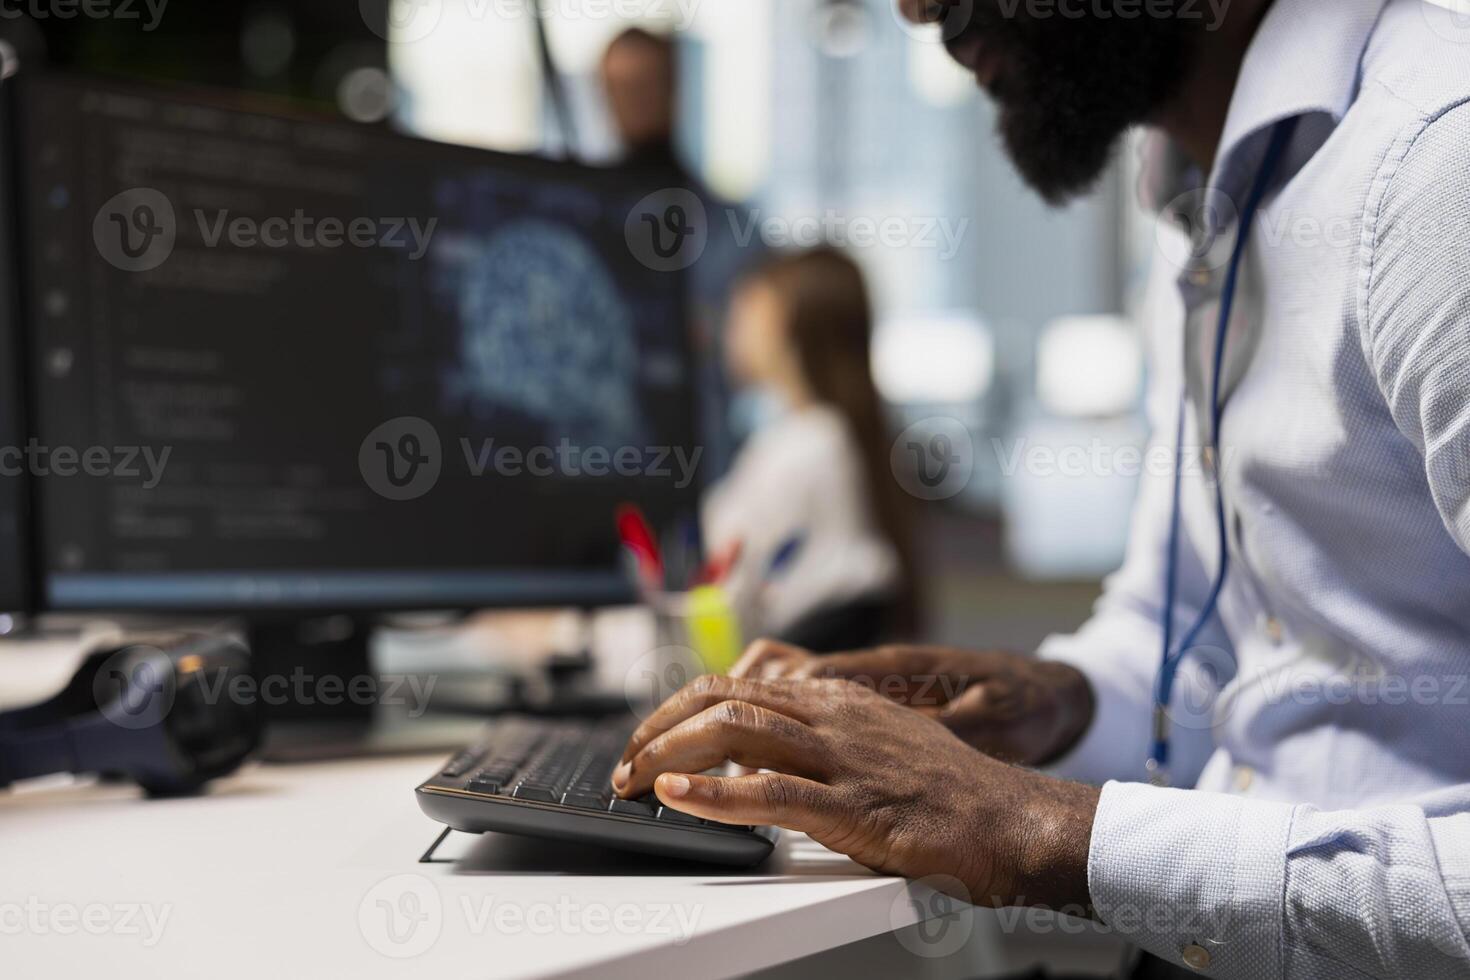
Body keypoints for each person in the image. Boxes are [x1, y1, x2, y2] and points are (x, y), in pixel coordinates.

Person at [611, 1, 1470, 977]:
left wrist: (1033, 829)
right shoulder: (1200, 201)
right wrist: (1055, 703)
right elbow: (1194, 642)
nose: (915, 10)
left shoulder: (1434, 168)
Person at [701, 248, 917, 651]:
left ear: (782, 321)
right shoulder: (834, 439)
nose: (727, 329)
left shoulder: (804, 449)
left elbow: (721, 593)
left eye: (742, 313)